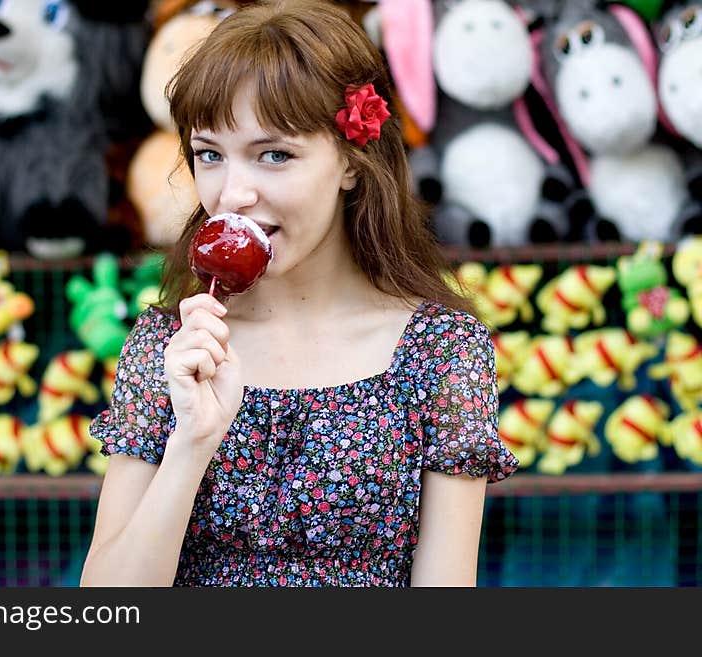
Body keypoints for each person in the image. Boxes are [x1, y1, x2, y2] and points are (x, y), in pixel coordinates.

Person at [81, 0, 519, 587]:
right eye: (210, 154)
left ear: (351, 163)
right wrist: (190, 445)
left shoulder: (441, 351)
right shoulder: (171, 349)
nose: (234, 193)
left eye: (274, 156)